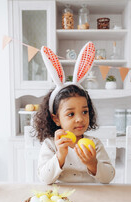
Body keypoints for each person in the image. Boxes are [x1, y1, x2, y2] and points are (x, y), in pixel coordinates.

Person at [32, 42, 115, 184]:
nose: (79, 119)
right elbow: (45, 180)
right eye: (71, 114)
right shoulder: (51, 145)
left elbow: (108, 178)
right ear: (56, 119)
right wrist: (60, 155)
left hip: (93, 197)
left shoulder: (94, 144)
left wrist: (93, 163)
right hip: (61, 198)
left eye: (84, 112)